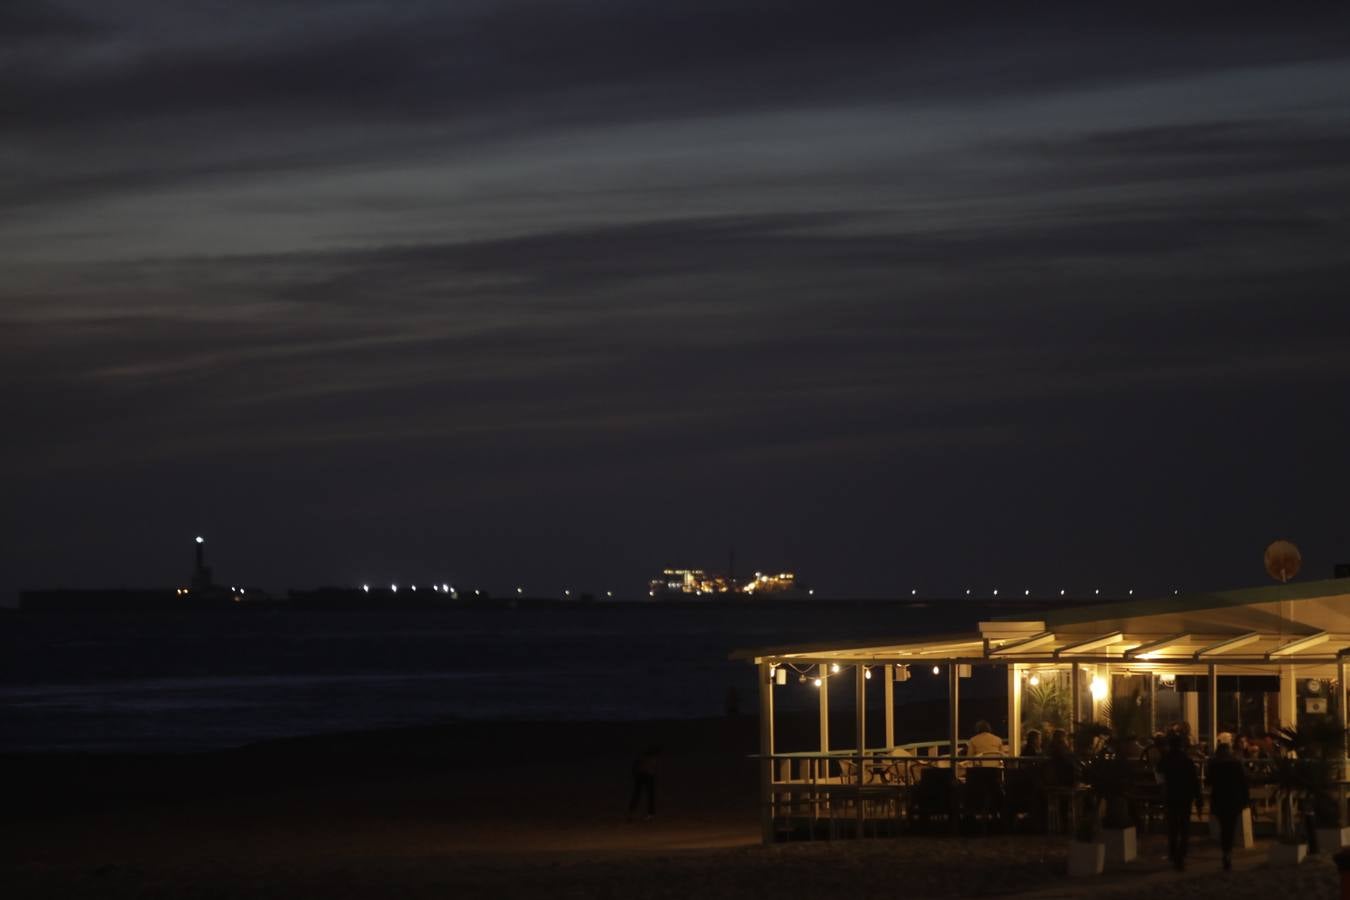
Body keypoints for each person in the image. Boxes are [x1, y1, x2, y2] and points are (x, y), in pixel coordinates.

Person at [1158, 733, 1203, 871]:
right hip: (1185, 796)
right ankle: (1181, 854)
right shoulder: (1187, 760)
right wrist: (1198, 798)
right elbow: (1194, 781)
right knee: (1184, 826)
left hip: (1171, 795)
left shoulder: (1166, 759)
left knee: (1172, 826)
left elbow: (1159, 772)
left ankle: (1173, 852)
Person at [1206, 742, 1250, 870]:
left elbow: (1209, 782)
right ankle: (1227, 852)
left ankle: (1226, 851)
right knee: (1229, 827)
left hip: (1220, 799)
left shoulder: (1214, 766)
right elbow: (1243, 783)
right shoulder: (1236, 765)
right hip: (1233, 800)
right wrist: (1245, 799)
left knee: (1224, 826)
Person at [627, 745, 661, 821]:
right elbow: (640, 767)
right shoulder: (647, 758)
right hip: (644, 776)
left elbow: (636, 767)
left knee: (641, 795)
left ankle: (633, 813)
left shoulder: (644, 757)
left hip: (643, 775)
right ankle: (633, 813)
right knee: (642, 795)